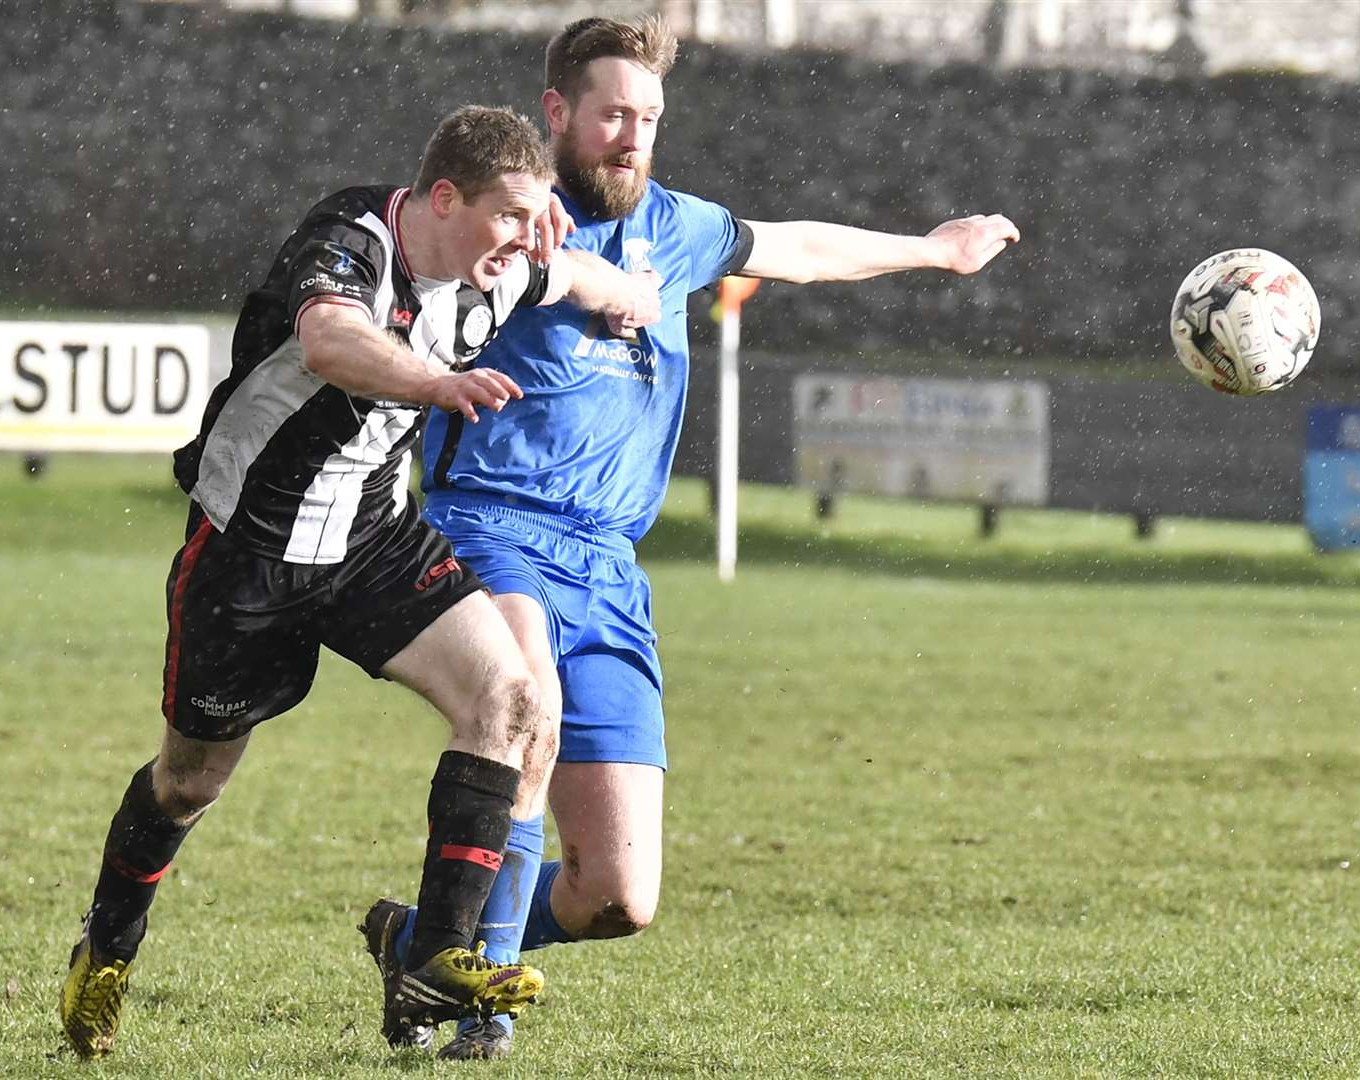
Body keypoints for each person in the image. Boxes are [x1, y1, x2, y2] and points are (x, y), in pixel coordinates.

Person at [361, 16, 1020, 1061]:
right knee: (522, 716)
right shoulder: (509, 223)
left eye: (650, 118)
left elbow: (796, 247)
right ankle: (476, 1019)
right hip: (495, 524)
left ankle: (420, 941)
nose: (633, 136)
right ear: (558, 113)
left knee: (618, 897)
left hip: (611, 564)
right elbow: (414, 268)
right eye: (614, 113)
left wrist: (935, 252)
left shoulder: (678, 228)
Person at [57, 104, 663, 1060]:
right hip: (251, 556)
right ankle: (109, 945)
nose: (519, 241)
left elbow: (587, 279)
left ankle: (436, 953)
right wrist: (436, 383)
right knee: (188, 781)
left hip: (375, 540)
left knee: (509, 700)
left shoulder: (505, 262)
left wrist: (624, 287)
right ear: (445, 199)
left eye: (530, 219)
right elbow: (333, 342)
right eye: (504, 216)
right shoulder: (350, 240)